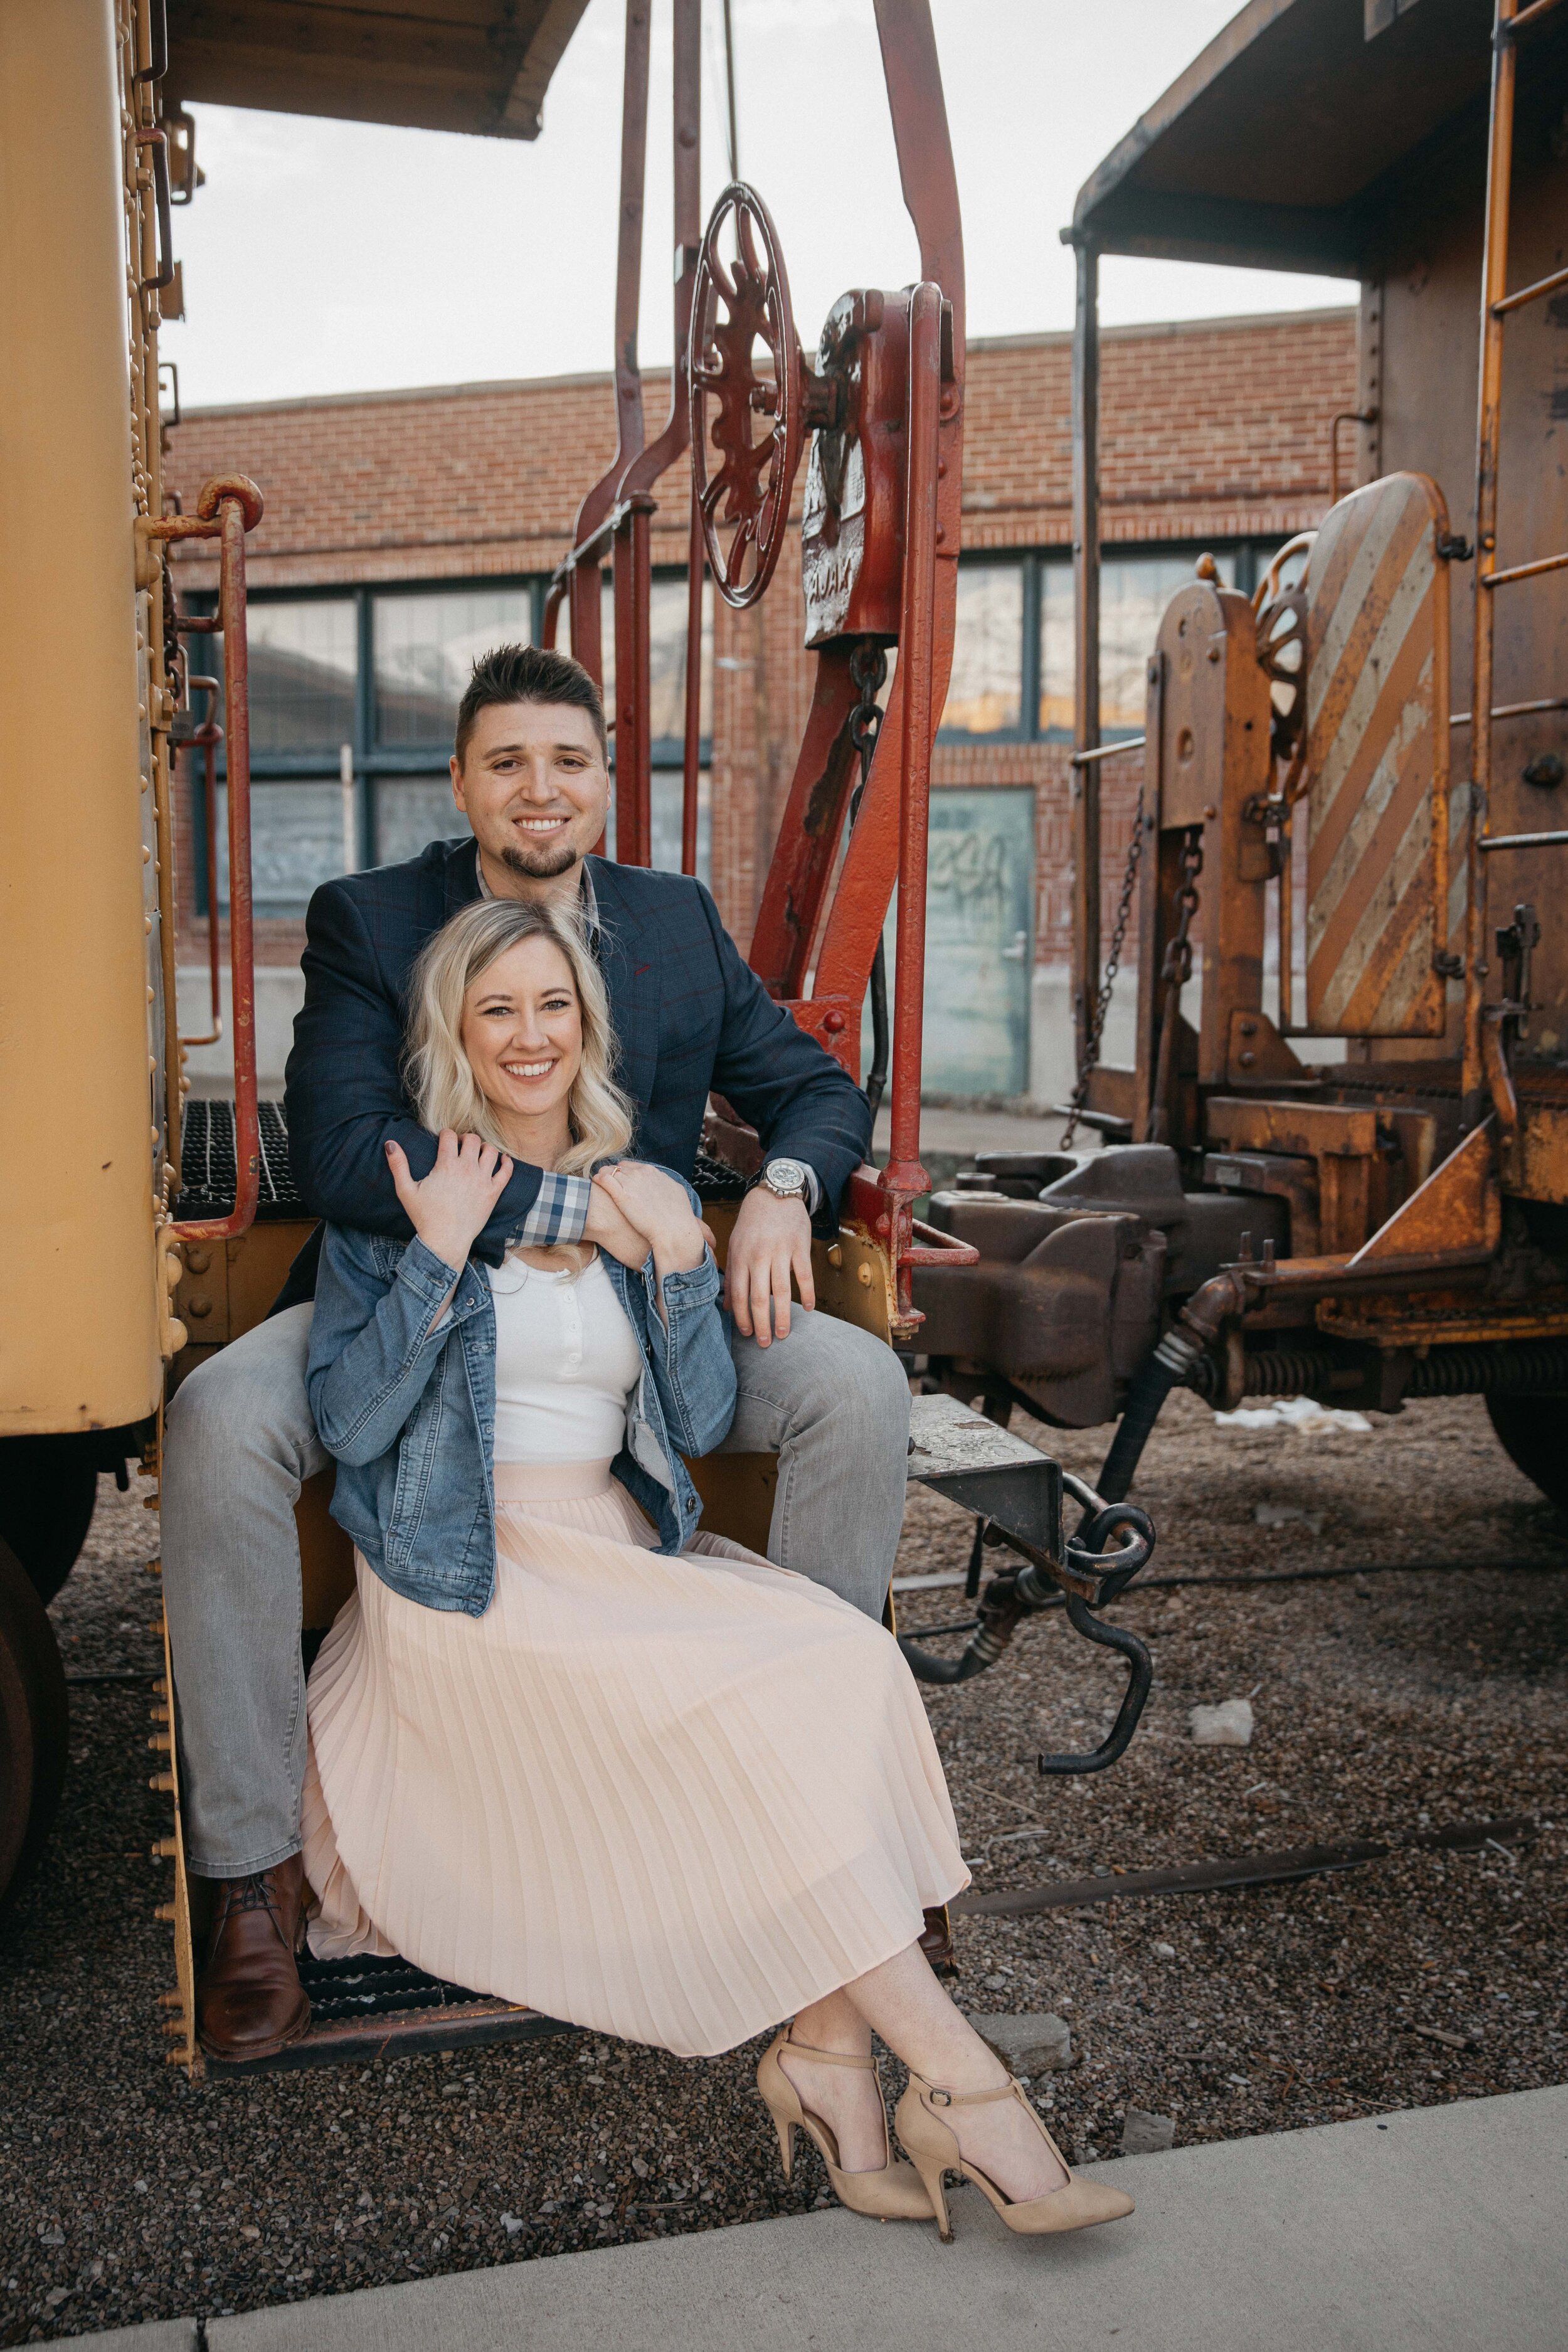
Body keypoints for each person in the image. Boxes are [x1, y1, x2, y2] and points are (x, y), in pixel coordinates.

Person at [298, 892, 1133, 2242]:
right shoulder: (411, 1192)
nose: (529, 1035)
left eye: (553, 1005)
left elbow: (692, 1416)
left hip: (610, 1549)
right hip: (466, 1575)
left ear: (587, 1025)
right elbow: (350, 1423)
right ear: (455, 1031)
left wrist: (684, 1257)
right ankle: (966, 2090)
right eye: (496, 1009)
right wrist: (441, 1252)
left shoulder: (638, 1187)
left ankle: (835, 2066)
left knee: (849, 1662)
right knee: (756, 1713)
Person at [162, 644, 913, 2065]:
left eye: (567, 760)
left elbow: (816, 1091)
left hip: (622, 1317)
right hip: (414, 1295)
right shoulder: (371, 918)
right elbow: (344, 1152)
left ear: (605, 781)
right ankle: (252, 1878)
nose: (539, 787)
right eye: (507, 761)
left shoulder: (671, 921)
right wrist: (587, 1207)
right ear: (461, 782)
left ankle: (809, 1809)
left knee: (855, 1386)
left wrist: (780, 1188)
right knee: (221, 1417)